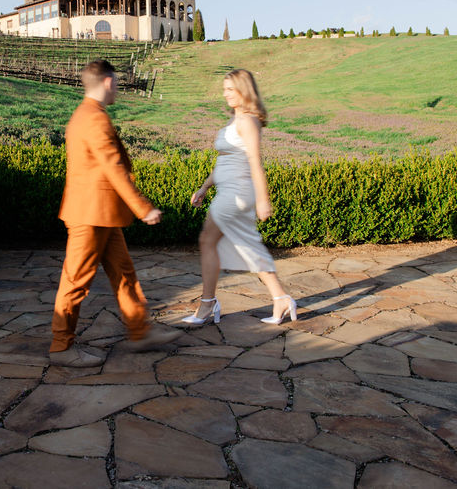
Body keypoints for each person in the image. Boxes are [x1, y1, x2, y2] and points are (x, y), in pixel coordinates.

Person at [50, 60, 182, 367]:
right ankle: (60, 347)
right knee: (75, 281)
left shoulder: (85, 114)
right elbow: (114, 168)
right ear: (108, 82)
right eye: (118, 84)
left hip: (102, 213)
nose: (119, 90)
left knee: (124, 275)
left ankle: (140, 331)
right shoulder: (94, 119)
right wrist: (143, 207)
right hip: (91, 215)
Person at [182, 68, 298, 327]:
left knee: (207, 240)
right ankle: (280, 298)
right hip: (227, 191)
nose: (226, 95)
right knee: (246, 246)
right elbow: (224, 163)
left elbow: (255, 163)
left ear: (244, 90)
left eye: (231, 89)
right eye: (225, 90)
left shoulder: (247, 122)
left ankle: (207, 304)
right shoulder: (235, 122)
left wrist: (263, 199)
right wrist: (204, 188)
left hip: (237, 194)